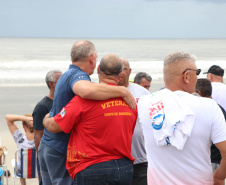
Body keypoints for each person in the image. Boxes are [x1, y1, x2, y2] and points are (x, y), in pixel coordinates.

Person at [38, 40, 136, 185]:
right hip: (123, 167)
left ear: (98, 70)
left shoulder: (83, 100)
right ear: (121, 75)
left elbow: (56, 124)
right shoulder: (132, 104)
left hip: (89, 165)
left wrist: (46, 119)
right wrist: (123, 91)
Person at [138, 51, 226, 185]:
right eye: (197, 73)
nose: (197, 78)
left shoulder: (144, 103)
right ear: (186, 76)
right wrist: (219, 177)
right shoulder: (209, 106)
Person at [118, 58, 150, 185]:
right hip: (116, 159)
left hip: (140, 158)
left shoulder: (142, 93)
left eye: (123, 69)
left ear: (130, 71)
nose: (119, 73)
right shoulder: (104, 92)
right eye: (116, 69)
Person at [32, 70, 62, 185]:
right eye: (60, 80)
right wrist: (41, 162)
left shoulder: (64, 102)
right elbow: (37, 136)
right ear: (51, 84)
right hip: (48, 155)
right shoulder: (42, 106)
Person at [196, 78, 226, 175]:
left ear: (198, 92)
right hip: (218, 159)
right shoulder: (219, 109)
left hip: (208, 159)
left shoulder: (203, 110)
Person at [5, 114, 35, 185]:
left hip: (23, 172)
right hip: (38, 170)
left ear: (23, 126)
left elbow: (7, 118)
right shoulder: (41, 137)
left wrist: (25, 118)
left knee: (19, 159)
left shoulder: (19, 138)